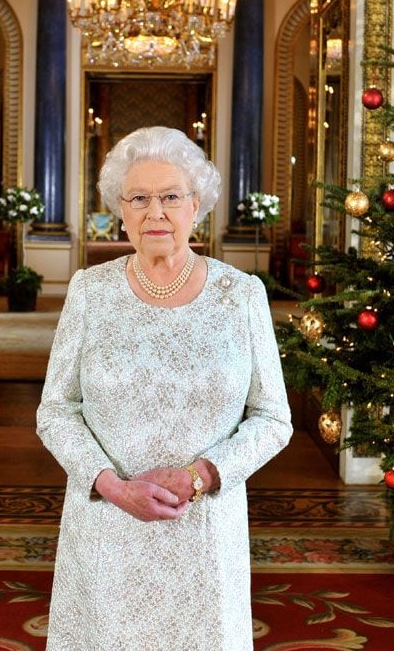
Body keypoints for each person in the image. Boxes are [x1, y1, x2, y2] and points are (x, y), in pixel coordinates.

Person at [36, 126, 293, 650]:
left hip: (204, 532)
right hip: (107, 528)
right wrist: (112, 485)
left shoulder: (241, 295)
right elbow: (56, 411)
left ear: (196, 206)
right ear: (120, 211)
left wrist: (201, 476)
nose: (156, 213)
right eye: (139, 199)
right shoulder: (89, 291)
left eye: (171, 197)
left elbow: (273, 419)